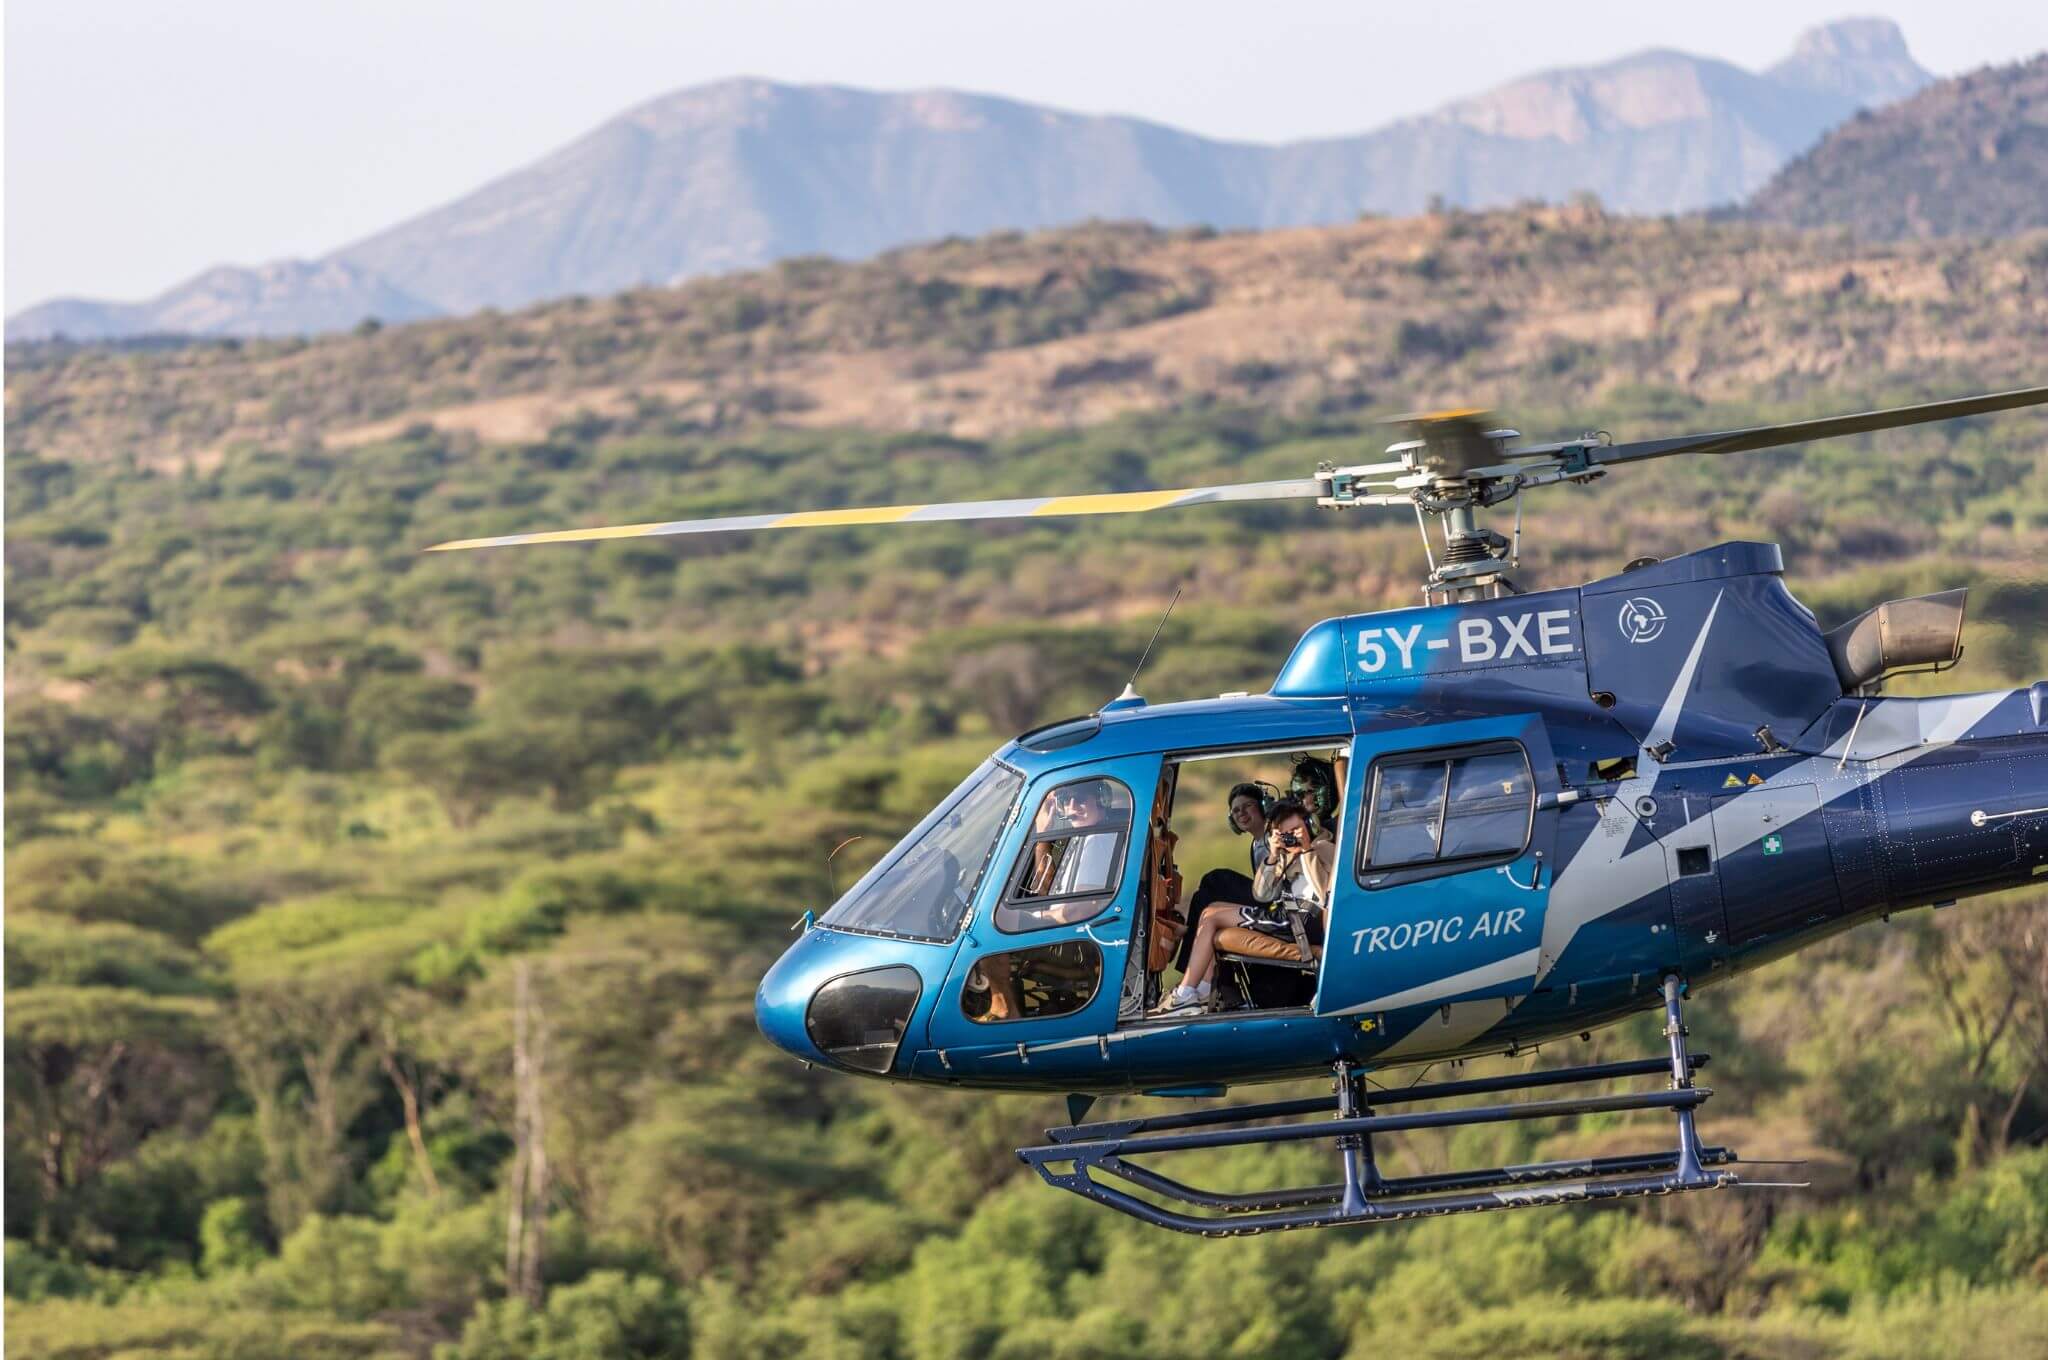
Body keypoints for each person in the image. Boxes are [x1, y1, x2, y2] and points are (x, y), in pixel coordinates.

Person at [1157, 800, 1332, 1014]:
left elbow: (1325, 892)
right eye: (1284, 833)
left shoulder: (1323, 848)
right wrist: (1274, 856)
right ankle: (1199, 990)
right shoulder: (1287, 857)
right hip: (1288, 915)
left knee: (1211, 916)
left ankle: (1186, 995)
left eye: (1296, 830)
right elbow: (1261, 894)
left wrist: (1307, 849)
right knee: (1210, 909)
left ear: (1309, 826)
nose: (1291, 836)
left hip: (1304, 920)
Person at [1172, 783, 1271, 975]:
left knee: (1215, 878)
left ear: (1262, 806)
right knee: (1202, 897)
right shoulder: (1256, 845)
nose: (1241, 813)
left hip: (1274, 904)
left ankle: (1188, 957)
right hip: (1264, 897)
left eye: (1247, 806)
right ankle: (1191, 942)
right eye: (1235, 810)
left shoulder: (1274, 836)